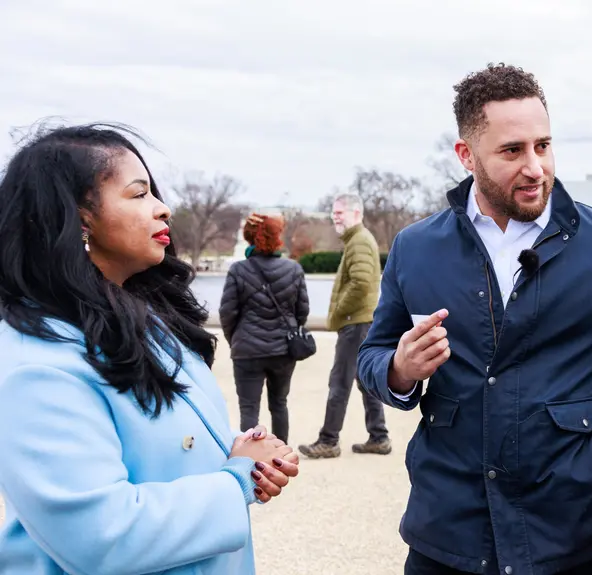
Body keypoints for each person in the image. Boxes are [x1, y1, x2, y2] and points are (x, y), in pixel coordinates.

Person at [357, 63, 592, 574]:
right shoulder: (415, 247)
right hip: (447, 530)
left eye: (543, 145)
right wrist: (400, 370)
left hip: (574, 529)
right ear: (466, 155)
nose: (535, 166)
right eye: (512, 151)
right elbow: (372, 355)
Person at [0, 123, 300, 575]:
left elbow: (167, 454)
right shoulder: (37, 365)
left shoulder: (150, 321)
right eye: (139, 195)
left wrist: (239, 456)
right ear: (79, 218)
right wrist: (235, 480)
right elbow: (101, 536)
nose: (163, 209)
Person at [299, 193, 389, 458]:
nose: (334, 217)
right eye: (334, 212)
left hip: (356, 323)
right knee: (364, 381)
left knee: (339, 382)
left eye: (340, 213)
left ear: (356, 213)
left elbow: (360, 283)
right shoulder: (357, 240)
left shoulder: (359, 241)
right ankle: (379, 436)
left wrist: (338, 312)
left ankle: (328, 441)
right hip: (362, 322)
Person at [219, 212, 309, 444]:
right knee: (279, 404)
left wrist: (236, 339)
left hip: (247, 350)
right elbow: (302, 312)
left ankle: (251, 461)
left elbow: (227, 313)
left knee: (249, 408)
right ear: (278, 237)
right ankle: (281, 456)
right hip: (282, 351)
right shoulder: (293, 269)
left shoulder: (238, 270)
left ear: (249, 237)